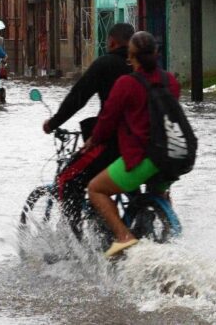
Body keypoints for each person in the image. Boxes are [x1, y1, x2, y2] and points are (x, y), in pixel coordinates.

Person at [86, 31, 180, 258]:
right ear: (156, 54)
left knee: (95, 189)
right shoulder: (171, 81)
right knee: (157, 190)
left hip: (145, 158)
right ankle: (165, 232)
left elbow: (107, 120)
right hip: (174, 158)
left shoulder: (127, 83)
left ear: (131, 57)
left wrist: (92, 140)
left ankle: (124, 237)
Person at [42, 23, 134, 237]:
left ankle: (76, 245)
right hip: (144, 145)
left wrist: (53, 123)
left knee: (66, 179)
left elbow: (78, 97)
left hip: (113, 143)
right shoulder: (144, 69)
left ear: (111, 42)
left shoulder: (106, 64)